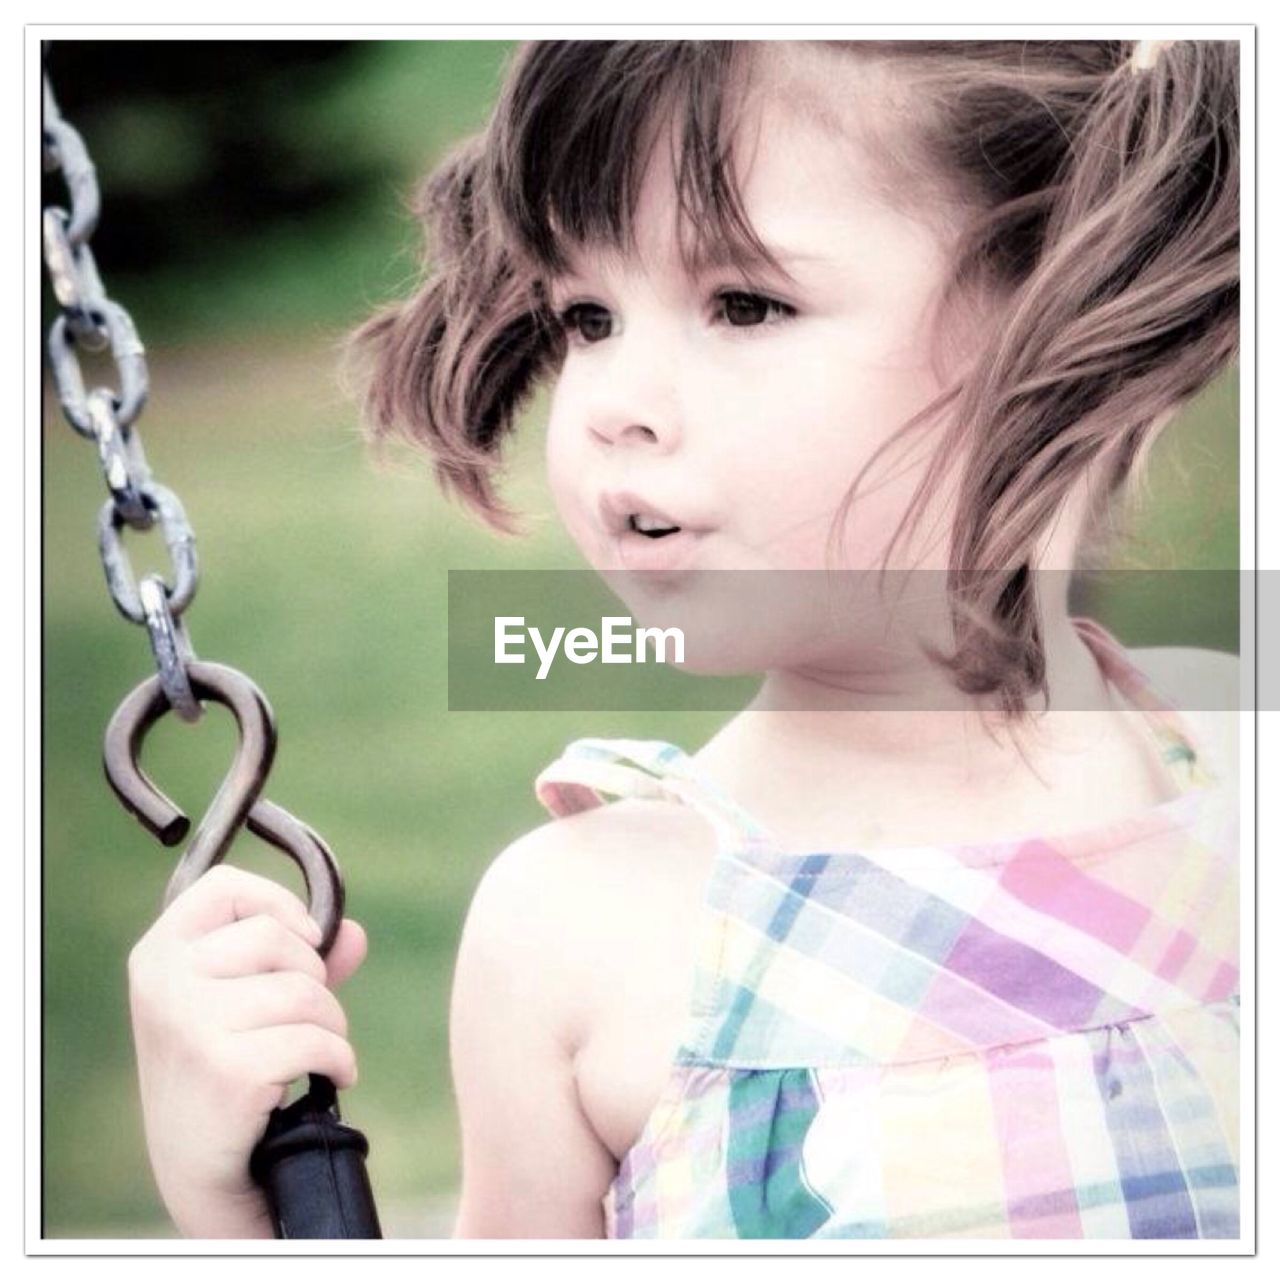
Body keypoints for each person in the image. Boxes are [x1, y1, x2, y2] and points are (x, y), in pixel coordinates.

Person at [127, 38, 1241, 1240]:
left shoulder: (1229, 768)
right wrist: (237, 1209)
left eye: (744, 303)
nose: (608, 404)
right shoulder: (581, 927)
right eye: (586, 317)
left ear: (1066, 302)